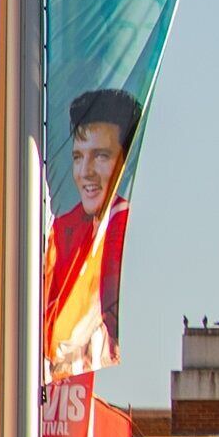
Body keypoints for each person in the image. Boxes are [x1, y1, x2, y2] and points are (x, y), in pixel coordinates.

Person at [43, 87, 140, 373]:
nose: (85, 171)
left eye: (100, 156)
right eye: (77, 157)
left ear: (123, 162)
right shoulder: (58, 231)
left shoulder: (123, 227)